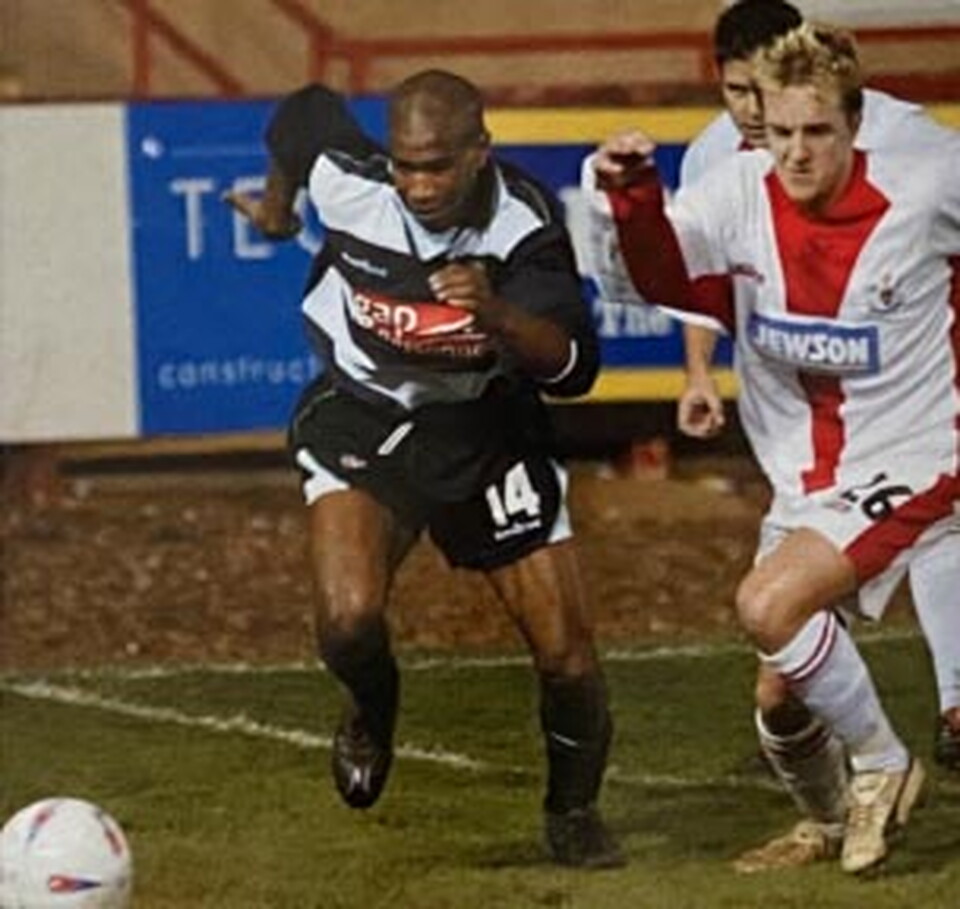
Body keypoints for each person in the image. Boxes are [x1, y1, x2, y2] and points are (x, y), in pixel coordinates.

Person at [582, 23, 960, 875]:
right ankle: (826, 824)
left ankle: (885, 763)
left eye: (816, 131)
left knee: (766, 605)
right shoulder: (738, 189)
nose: (794, 151)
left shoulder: (931, 186)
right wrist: (634, 196)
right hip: (803, 477)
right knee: (780, 701)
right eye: (782, 131)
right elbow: (664, 277)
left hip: (915, 452)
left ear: (853, 126)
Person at [224, 69, 623, 869]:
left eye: (438, 165)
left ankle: (572, 810)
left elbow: (576, 367)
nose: (419, 184)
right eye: (406, 164)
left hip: (485, 432)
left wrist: (500, 313)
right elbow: (302, 113)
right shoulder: (351, 184)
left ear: (480, 152)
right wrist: (277, 209)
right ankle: (375, 709)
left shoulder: (522, 226)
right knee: (345, 620)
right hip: (364, 416)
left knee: (567, 656)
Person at [675, 0, 960, 783]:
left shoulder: (914, 146)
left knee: (939, 534)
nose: (754, 115)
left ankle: (944, 715)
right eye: (738, 92)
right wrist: (699, 368)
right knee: (779, 652)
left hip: (912, 413)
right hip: (802, 436)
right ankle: (839, 796)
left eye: (765, 88)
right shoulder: (716, 159)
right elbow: (700, 273)